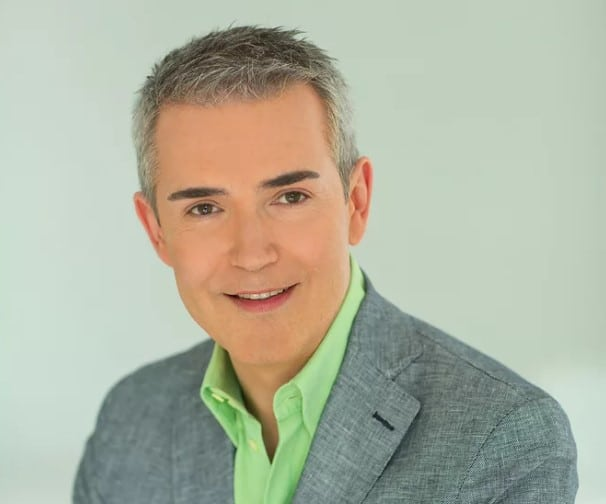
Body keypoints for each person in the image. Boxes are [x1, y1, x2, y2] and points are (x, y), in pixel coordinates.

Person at [73, 25, 578, 503]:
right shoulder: (128, 423)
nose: (252, 254)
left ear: (356, 202)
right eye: (204, 208)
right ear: (156, 230)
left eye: (290, 197)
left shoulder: (503, 438)